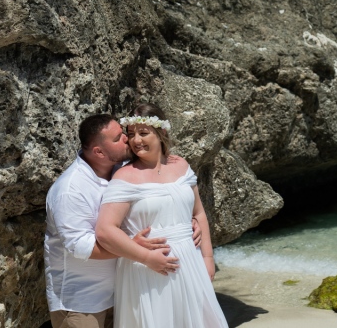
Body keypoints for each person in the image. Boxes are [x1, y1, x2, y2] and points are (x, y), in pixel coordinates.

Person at [44, 114, 198, 328]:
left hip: (124, 291)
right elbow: (80, 247)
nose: (128, 139)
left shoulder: (122, 170)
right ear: (99, 152)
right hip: (82, 302)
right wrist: (137, 250)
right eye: (118, 138)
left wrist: (188, 219)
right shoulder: (71, 189)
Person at [96, 103, 228, 328]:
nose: (137, 140)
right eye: (131, 134)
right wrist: (147, 258)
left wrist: (207, 259)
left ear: (162, 133)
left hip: (190, 262)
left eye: (144, 133)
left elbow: (198, 213)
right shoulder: (125, 176)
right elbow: (105, 230)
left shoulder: (181, 165)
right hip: (148, 270)